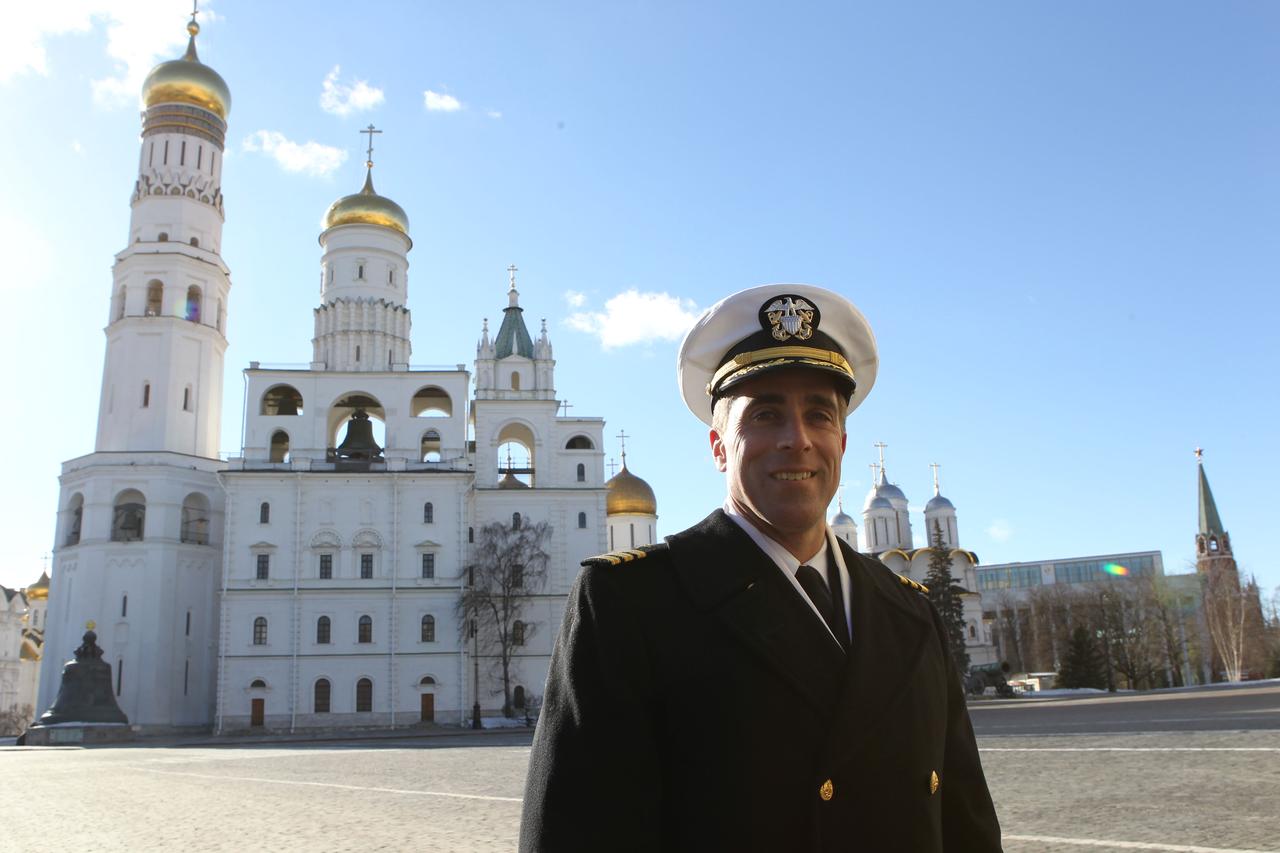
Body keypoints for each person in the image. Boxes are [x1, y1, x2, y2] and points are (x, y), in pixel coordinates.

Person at [520, 284, 1002, 852]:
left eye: (819, 415)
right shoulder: (632, 603)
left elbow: (967, 824)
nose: (797, 439)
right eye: (766, 414)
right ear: (719, 447)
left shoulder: (910, 611)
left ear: (842, 442)